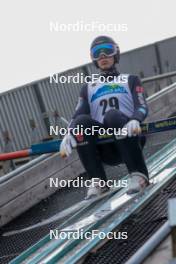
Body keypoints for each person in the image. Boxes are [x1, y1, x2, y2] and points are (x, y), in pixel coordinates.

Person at [60, 36, 149, 198]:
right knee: (81, 122)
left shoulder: (130, 80)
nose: (102, 56)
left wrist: (136, 119)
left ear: (116, 53)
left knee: (112, 115)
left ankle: (139, 175)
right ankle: (98, 181)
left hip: (129, 140)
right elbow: (78, 113)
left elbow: (142, 105)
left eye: (107, 50)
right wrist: (69, 132)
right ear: (93, 59)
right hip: (105, 148)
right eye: (97, 53)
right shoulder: (88, 87)